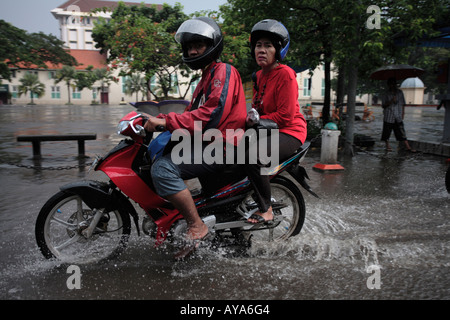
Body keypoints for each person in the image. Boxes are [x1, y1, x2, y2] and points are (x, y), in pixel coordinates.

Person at [143, 17, 247, 259]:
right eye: (189, 46)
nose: (192, 51)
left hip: (224, 145)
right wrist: (158, 119)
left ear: (212, 45)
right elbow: (191, 115)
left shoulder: (223, 71)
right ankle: (189, 219)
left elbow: (212, 114)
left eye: (198, 45)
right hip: (210, 142)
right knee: (162, 154)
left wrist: (166, 121)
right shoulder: (205, 79)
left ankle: (196, 225)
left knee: (163, 170)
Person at [244, 19, 307, 224]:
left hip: (290, 131)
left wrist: (257, 120)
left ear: (278, 50)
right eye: (258, 45)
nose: (261, 50)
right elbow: (257, 110)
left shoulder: (286, 74)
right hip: (269, 129)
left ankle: (266, 208)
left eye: (268, 46)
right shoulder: (259, 76)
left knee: (256, 155)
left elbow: (286, 116)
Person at [381, 77, 415, 152]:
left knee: (401, 131)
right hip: (389, 116)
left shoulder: (400, 93)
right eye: (391, 84)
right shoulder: (386, 94)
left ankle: (408, 147)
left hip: (398, 115)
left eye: (394, 84)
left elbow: (403, 104)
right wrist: (391, 101)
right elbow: (383, 105)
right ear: (388, 85)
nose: (393, 86)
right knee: (386, 132)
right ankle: (387, 146)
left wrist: (403, 113)